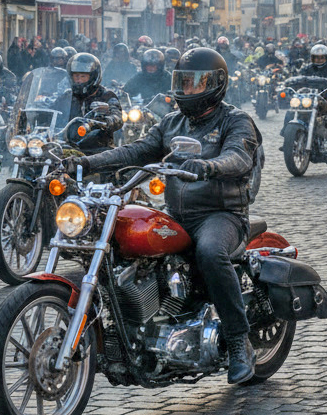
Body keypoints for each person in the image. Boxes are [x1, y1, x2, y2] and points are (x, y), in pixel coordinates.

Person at [67, 48, 260, 384]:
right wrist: (84, 162)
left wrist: (208, 166)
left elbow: (239, 158)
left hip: (222, 215)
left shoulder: (236, 120)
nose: (186, 90)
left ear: (215, 84)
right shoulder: (172, 122)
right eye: (182, 83)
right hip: (177, 214)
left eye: (194, 84)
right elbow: (135, 151)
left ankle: (239, 341)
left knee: (210, 252)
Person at [63, 53, 124, 154]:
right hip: (68, 146)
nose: (79, 80)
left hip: (97, 148)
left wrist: (103, 121)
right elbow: (53, 110)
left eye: (83, 76)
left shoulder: (107, 96)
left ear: (93, 77)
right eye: (76, 76)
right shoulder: (67, 96)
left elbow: (117, 118)